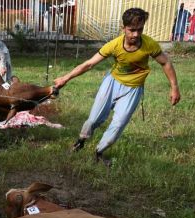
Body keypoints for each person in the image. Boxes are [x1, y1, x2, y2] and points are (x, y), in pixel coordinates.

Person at [54, 8, 180, 165]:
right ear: (123, 28)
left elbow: (165, 62)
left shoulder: (149, 45)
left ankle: (99, 152)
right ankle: (81, 140)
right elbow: (89, 64)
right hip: (112, 83)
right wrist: (65, 78)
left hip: (133, 89)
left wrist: (174, 87)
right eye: (131, 30)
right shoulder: (114, 45)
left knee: (118, 124)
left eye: (139, 29)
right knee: (93, 119)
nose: (135, 34)